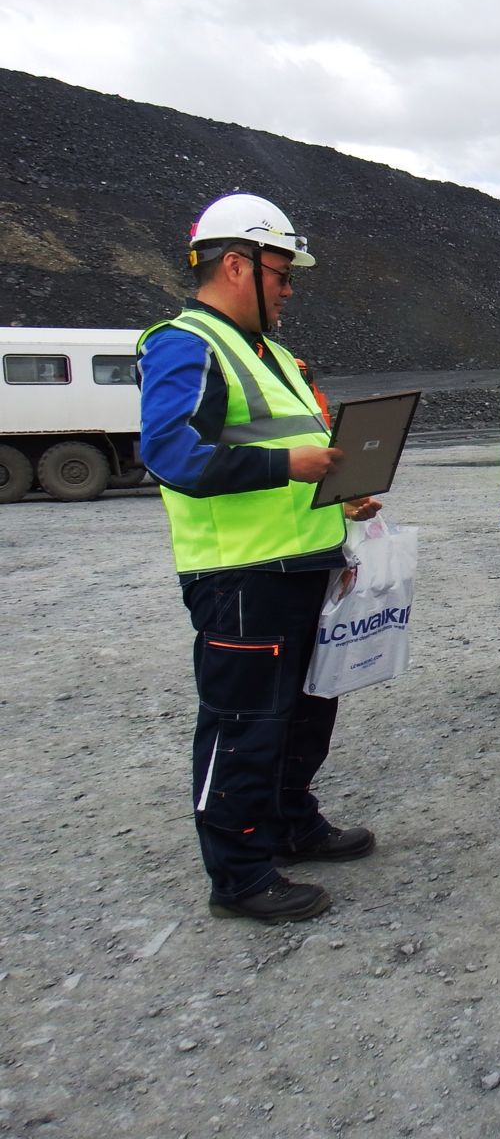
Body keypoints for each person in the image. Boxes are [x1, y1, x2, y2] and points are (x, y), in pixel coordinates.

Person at [136, 193, 379, 924]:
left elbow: (288, 450)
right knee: (244, 722)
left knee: (306, 713)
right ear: (237, 264)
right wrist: (291, 469)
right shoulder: (186, 344)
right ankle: (239, 874)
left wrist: (342, 496)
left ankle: (288, 822)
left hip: (302, 563)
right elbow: (172, 453)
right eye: (281, 272)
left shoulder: (268, 354)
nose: (289, 288)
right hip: (241, 576)